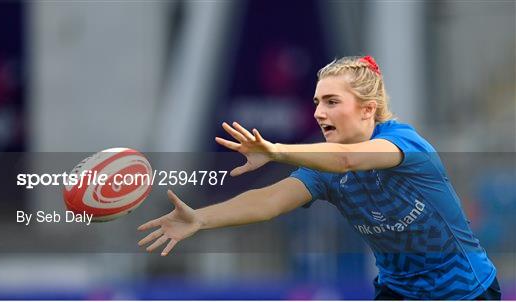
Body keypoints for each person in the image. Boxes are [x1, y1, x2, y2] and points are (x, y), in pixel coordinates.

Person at [137, 55, 500, 300]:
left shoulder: (405, 143)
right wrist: (201, 218)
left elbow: (347, 160)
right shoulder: (323, 170)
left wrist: (277, 150)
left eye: (331, 101)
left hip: (466, 291)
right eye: (315, 102)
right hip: (398, 292)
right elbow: (269, 201)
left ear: (368, 109)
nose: (318, 112)